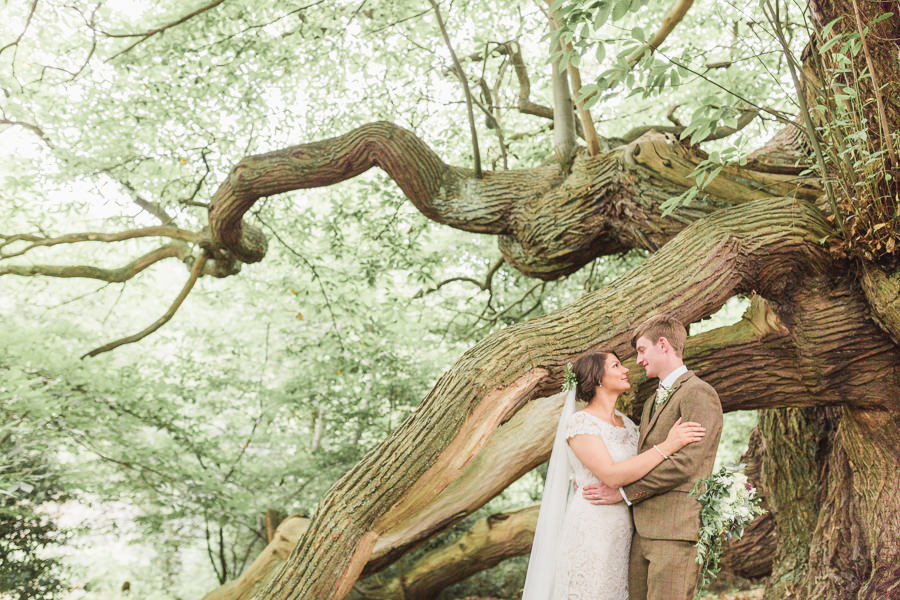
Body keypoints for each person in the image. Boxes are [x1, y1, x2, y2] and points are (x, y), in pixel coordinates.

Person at [521, 349, 706, 600]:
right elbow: (611, 475)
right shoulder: (580, 423)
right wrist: (669, 445)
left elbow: (642, 470)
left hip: (626, 530)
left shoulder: (628, 425)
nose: (626, 370)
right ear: (597, 378)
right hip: (592, 527)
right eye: (617, 366)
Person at [581, 314, 723, 600]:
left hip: (674, 530)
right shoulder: (650, 402)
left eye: (642, 350)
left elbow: (685, 464)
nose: (638, 360)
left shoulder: (698, 393)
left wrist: (624, 493)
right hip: (641, 530)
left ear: (663, 345)